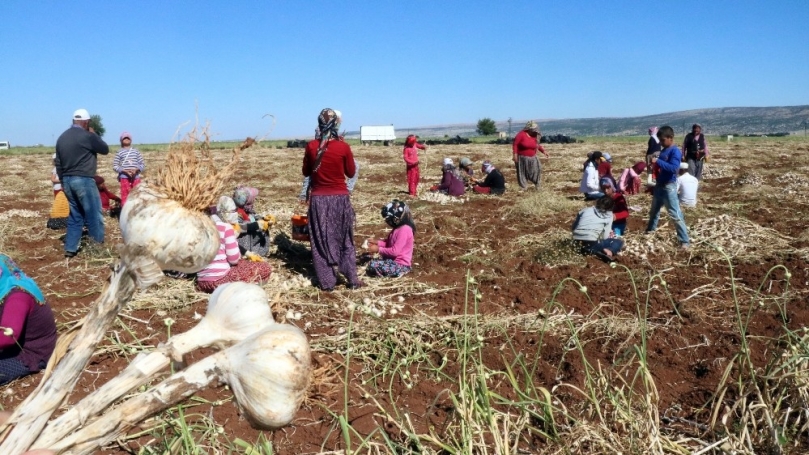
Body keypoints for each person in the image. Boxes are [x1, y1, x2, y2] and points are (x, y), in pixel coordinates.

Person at [303, 108, 363, 291]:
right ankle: (352, 279)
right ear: (337, 124)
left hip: (319, 200)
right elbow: (351, 172)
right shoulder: (343, 147)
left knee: (320, 239)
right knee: (345, 238)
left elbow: (306, 172)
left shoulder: (311, 146)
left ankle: (328, 282)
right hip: (340, 199)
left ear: (319, 124)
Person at [54, 109, 110, 258]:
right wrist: (94, 134)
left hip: (66, 180)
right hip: (83, 179)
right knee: (93, 214)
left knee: (75, 215)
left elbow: (58, 162)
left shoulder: (62, 138)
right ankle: (96, 249)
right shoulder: (87, 136)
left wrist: (63, 180)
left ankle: (70, 248)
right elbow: (105, 149)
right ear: (86, 122)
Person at [0, 255, 57, 386]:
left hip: (30, 353)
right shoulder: (3, 288)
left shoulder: (18, 296)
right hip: (10, 347)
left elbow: (7, 337)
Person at [196, 197, 273, 293]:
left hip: (202, 282)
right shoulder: (226, 227)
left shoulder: (203, 226)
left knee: (243, 263)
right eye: (233, 211)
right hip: (219, 282)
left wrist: (248, 254)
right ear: (225, 213)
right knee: (265, 268)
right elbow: (234, 260)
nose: (236, 214)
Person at [646, 126, 691, 248]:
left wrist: (658, 162)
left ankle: (684, 241)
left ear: (670, 138)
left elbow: (673, 168)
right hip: (659, 185)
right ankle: (649, 233)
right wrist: (654, 166)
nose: (660, 142)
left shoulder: (675, 151)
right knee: (654, 212)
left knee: (675, 214)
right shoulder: (664, 150)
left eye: (662, 140)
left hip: (669, 187)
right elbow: (662, 167)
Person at [365, 200, 415, 278]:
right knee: (369, 260)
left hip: (401, 265)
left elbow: (395, 252)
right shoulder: (397, 229)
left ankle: (396, 274)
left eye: (389, 219)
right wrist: (377, 242)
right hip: (393, 262)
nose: (388, 222)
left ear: (397, 218)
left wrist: (378, 249)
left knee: (373, 265)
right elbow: (389, 244)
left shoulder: (405, 230)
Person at [571, 196, 624, 262]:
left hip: (576, 239)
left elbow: (573, 227)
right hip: (592, 241)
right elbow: (605, 236)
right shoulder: (609, 215)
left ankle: (587, 249)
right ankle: (608, 251)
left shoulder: (585, 210)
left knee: (587, 246)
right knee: (618, 242)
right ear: (612, 207)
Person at [232, 186, 274, 257]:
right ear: (246, 201)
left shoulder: (247, 210)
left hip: (249, 242)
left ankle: (258, 252)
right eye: (252, 200)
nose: (254, 201)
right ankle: (251, 253)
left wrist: (265, 219)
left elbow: (254, 217)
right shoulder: (236, 213)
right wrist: (255, 225)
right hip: (242, 245)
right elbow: (238, 228)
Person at [512, 120, 548, 190]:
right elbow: (515, 144)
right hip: (522, 158)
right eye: (533, 130)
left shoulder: (535, 135)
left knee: (536, 170)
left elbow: (537, 145)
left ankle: (537, 185)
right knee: (522, 173)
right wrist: (515, 155)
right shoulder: (521, 134)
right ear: (529, 129)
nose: (535, 131)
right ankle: (523, 187)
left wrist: (543, 151)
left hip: (533, 158)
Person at [112, 131, 145, 206]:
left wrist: (136, 169)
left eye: (128, 138)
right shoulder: (119, 152)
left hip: (135, 177)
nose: (126, 139)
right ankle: (125, 211)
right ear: (121, 141)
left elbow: (142, 164)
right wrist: (124, 171)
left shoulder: (136, 151)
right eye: (124, 138)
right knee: (125, 195)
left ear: (131, 140)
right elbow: (115, 166)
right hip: (124, 177)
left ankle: (136, 209)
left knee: (137, 193)